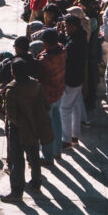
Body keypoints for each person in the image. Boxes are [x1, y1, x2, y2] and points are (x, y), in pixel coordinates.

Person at [1, 59, 53, 203]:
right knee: (34, 156)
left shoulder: (11, 90)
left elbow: (11, 115)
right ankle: (36, 183)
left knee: (17, 161)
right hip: (35, 126)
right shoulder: (36, 85)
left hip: (18, 130)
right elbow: (46, 105)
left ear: (13, 72)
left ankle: (16, 192)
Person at [37, 28, 66, 165]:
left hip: (47, 96)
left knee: (46, 128)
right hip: (59, 92)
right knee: (57, 121)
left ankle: (47, 156)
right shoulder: (62, 50)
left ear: (46, 43)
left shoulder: (45, 59)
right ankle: (57, 151)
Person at [60, 14, 87, 150]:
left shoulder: (73, 44)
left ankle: (66, 140)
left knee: (64, 109)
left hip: (71, 78)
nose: (65, 29)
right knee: (76, 107)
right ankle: (74, 136)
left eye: (66, 26)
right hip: (79, 76)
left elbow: (65, 55)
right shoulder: (81, 36)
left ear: (74, 26)